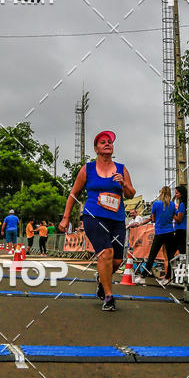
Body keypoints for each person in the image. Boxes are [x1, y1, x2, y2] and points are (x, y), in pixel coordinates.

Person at [59, 130, 135, 311]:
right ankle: (108, 297)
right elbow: (74, 193)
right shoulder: (88, 169)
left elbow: (130, 194)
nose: (107, 144)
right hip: (93, 216)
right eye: (103, 142)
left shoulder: (121, 168)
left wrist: (124, 184)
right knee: (105, 253)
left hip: (117, 218)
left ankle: (101, 279)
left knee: (117, 260)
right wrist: (65, 218)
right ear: (96, 149)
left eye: (110, 142)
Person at [134, 186, 178, 286]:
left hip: (159, 232)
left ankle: (143, 277)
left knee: (152, 255)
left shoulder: (156, 204)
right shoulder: (172, 204)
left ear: (161, 193)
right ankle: (168, 277)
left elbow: (153, 219)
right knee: (170, 256)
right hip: (170, 231)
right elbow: (175, 216)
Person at [173, 184, 187, 257]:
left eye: (177, 193)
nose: (175, 195)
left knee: (180, 251)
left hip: (181, 231)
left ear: (181, 194)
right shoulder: (183, 204)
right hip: (182, 230)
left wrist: (172, 213)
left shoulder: (182, 205)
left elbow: (179, 220)